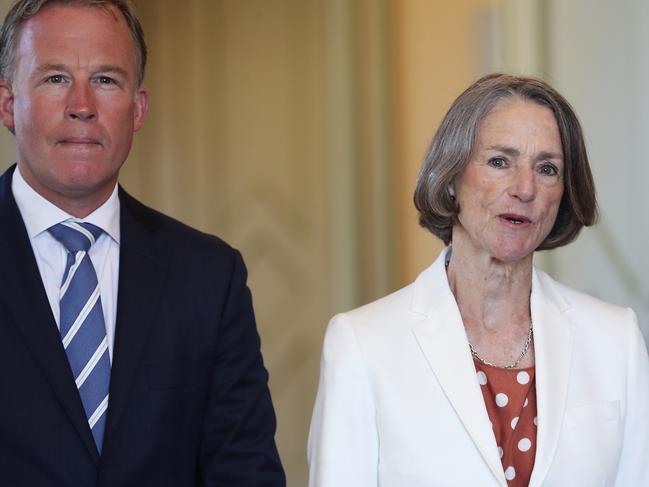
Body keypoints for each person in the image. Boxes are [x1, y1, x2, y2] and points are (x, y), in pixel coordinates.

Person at [307, 73, 649, 486]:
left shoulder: (617, 339)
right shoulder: (362, 344)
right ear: (450, 178)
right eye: (499, 161)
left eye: (547, 168)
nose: (526, 188)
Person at [0, 0, 285, 485]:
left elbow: (245, 472)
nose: (82, 105)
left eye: (106, 80)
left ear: (137, 109)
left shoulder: (210, 277)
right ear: (7, 104)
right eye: (55, 79)